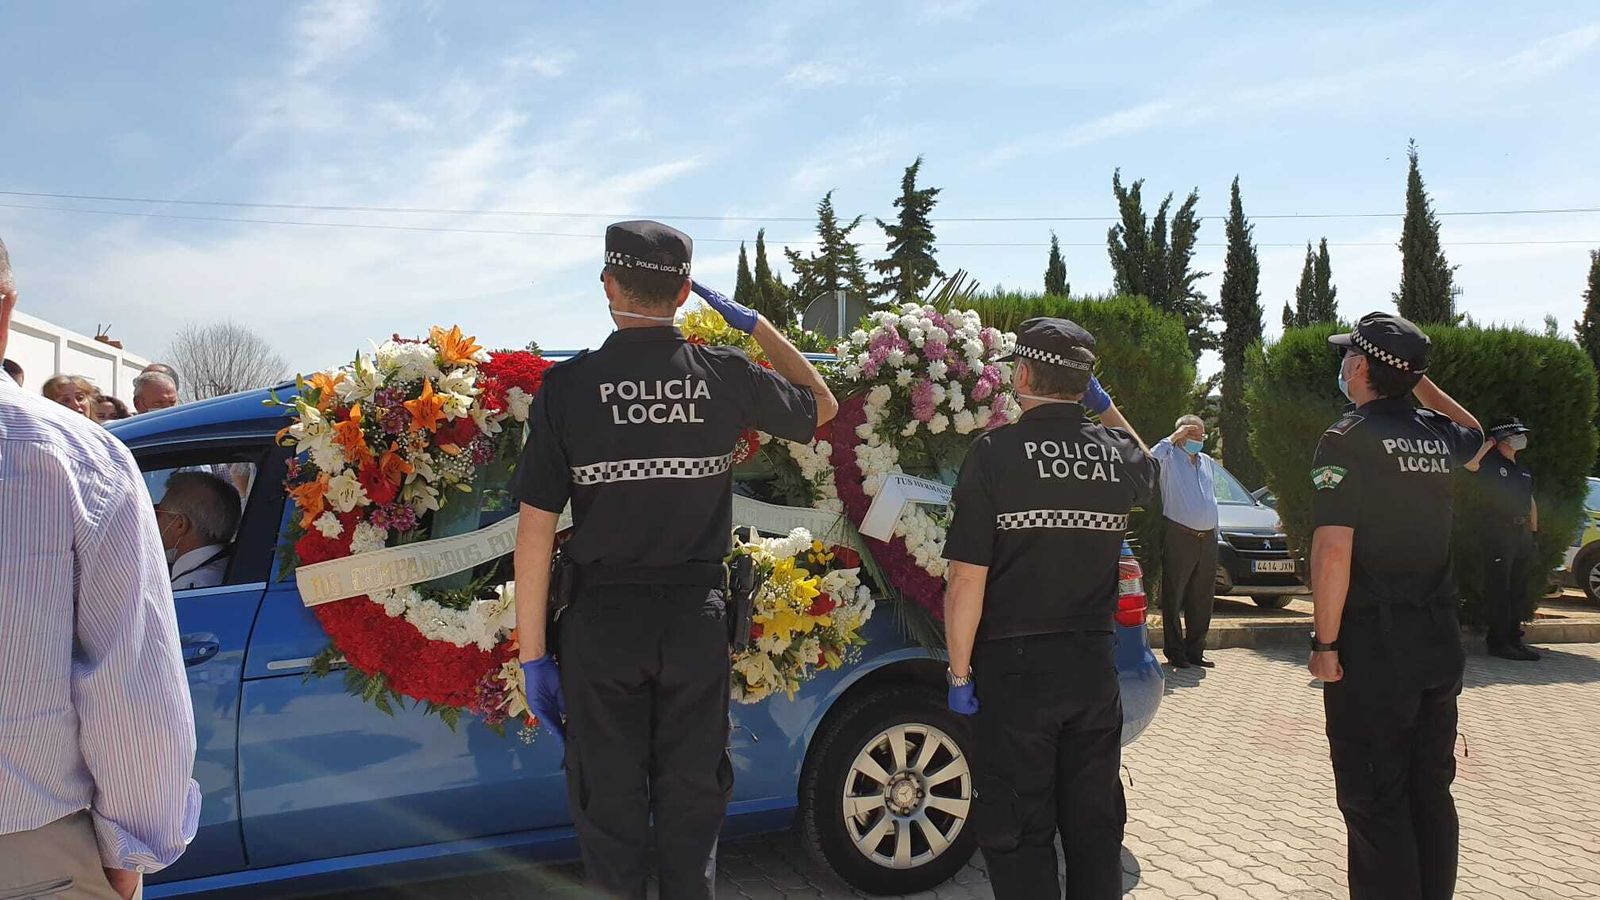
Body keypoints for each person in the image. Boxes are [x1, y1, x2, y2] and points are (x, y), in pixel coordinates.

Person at [510, 221, 837, 899]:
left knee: (609, 817)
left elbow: (535, 532)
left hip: (599, 627)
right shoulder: (724, 375)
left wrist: (533, 655)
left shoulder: (566, 389)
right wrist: (756, 326)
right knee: (692, 818)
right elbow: (822, 405)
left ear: (608, 287)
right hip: (693, 623)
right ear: (687, 292)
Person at [0, 235, 201, 899]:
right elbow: (129, 679)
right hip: (29, 852)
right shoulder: (74, 458)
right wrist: (130, 849)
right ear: (6, 311)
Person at [942, 318, 1160, 899]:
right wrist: (1106, 409)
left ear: (1022, 375)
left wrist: (959, 673)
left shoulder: (994, 453)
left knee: (1018, 828)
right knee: (1093, 825)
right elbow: (1152, 469)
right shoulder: (1114, 452)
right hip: (1092, 664)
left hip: (1015, 671)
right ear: (1087, 384)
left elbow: (966, 579)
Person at [1308, 312, 1485, 900]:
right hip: (1437, 642)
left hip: (1375, 650)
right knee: (1429, 791)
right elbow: (1473, 429)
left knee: (1376, 799)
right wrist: (1416, 382)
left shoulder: (1347, 437)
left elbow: (1334, 550)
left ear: (1359, 367)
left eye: (1347, 358)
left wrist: (1325, 645)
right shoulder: (1435, 437)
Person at [1465, 419, 1541, 661]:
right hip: (1498, 533)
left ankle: (1514, 639)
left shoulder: (1522, 468)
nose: (1522, 439)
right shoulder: (1490, 464)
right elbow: (1470, 464)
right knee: (1500, 589)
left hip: (1521, 534)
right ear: (1504, 439)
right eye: (1517, 435)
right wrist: (1490, 442)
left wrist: (1534, 533)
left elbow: (1530, 502)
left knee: (1518, 589)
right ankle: (1498, 642)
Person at [1152, 413, 1220, 668]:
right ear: (1180, 435)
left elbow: (1211, 497)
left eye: (1200, 433)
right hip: (1180, 534)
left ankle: (1196, 650)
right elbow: (1151, 457)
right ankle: (1175, 652)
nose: (1197, 438)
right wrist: (1173, 438)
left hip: (1208, 537)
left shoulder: (1207, 462)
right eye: (1191, 433)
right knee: (1175, 595)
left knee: (1202, 597)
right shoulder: (1169, 458)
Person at [156, 471, 241, 590]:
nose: (154, 521)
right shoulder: (230, 568)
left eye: (158, 513)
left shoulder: (189, 586)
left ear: (180, 524)